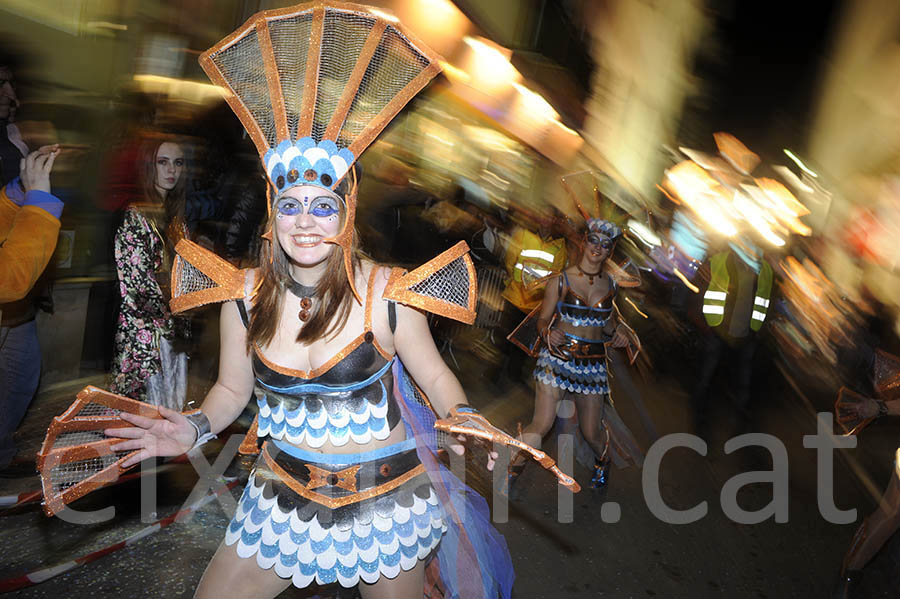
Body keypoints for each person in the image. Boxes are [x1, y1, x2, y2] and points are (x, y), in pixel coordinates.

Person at [104, 4, 513, 598]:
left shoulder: (386, 296)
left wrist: (464, 419)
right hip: (282, 498)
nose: (305, 222)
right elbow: (231, 392)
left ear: (346, 214)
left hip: (385, 502)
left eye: (322, 206)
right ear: (274, 213)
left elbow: (438, 380)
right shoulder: (242, 298)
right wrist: (192, 428)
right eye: (290, 205)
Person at [508, 218, 642, 495]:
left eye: (606, 245)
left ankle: (603, 463)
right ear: (583, 242)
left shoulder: (612, 286)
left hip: (592, 366)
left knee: (591, 431)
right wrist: (548, 334)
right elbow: (543, 320)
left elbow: (607, 323)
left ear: (610, 252)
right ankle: (511, 468)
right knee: (542, 423)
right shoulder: (561, 280)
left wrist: (619, 333)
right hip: (556, 359)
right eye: (594, 241)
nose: (598, 248)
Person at [109, 137, 189, 408]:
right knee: (140, 411)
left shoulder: (175, 217)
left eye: (177, 163)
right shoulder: (136, 216)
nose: (171, 171)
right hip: (144, 329)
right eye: (162, 162)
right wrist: (174, 313)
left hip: (171, 329)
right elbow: (136, 284)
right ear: (148, 166)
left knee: (167, 410)